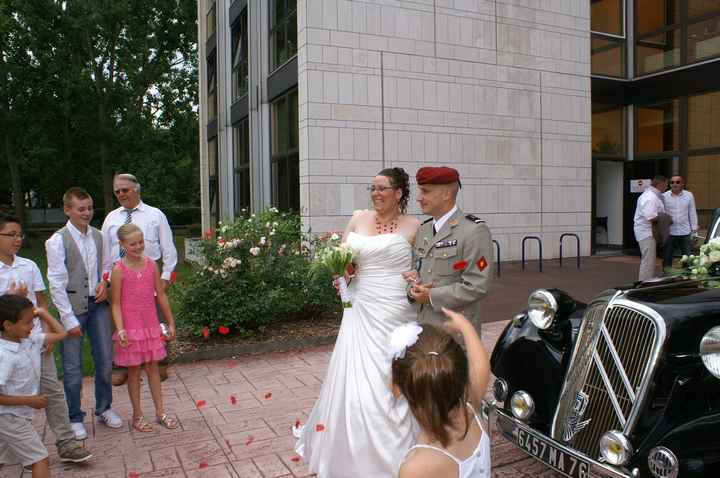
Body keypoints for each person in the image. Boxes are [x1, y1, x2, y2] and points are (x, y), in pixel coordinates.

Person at [295, 167, 421, 477]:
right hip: (360, 307)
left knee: (391, 374)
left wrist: (418, 279)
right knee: (355, 376)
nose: (376, 193)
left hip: (395, 311)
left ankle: (404, 449)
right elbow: (344, 261)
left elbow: (426, 268)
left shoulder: (415, 226)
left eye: (382, 188)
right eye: (373, 188)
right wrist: (343, 272)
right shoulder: (358, 219)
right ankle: (349, 451)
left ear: (398, 193)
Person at [0, 214, 92, 463]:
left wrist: (46, 333)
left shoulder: (29, 265)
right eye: (11, 234)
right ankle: (11, 447)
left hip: (34, 340)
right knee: (6, 395)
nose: (17, 240)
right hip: (5, 348)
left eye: (20, 234)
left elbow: (41, 301)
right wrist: (9, 296)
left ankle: (66, 443)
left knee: (52, 391)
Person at [45, 187, 122, 440]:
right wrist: (67, 319)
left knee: (104, 361)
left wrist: (104, 283)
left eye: (89, 208)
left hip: (98, 305)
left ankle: (104, 408)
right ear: (67, 210)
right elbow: (56, 283)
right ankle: (74, 417)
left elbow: (107, 266)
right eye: (81, 209)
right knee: (73, 367)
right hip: (72, 310)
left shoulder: (100, 236)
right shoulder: (57, 240)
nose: (86, 213)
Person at [391, 307, 491, 478]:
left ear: (397, 387)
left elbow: (480, 368)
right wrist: (466, 326)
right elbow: (481, 367)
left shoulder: (417, 467)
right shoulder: (471, 409)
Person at [101, 173, 177, 385]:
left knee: (155, 318)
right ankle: (123, 366)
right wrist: (105, 279)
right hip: (120, 277)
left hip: (148, 275)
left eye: (124, 190)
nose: (120, 194)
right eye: (117, 191)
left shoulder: (155, 215)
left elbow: (168, 248)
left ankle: (160, 362)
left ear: (136, 189)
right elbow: (106, 253)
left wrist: (165, 276)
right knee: (120, 320)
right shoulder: (111, 218)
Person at [407, 167, 492, 333]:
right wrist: (412, 290)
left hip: (454, 332)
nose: (419, 198)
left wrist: (430, 296)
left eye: (425, 192)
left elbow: (477, 285)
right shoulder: (423, 229)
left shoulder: (473, 231)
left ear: (446, 194)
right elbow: (415, 271)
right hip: (424, 328)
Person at [110, 224, 177, 432]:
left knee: (153, 369)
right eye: (133, 244)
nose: (138, 246)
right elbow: (116, 304)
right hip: (131, 329)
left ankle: (160, 412)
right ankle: (137, 415)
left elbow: (161, 295)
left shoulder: (151, 265)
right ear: (122, 244)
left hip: (149, 325)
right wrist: (121, 329)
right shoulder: (119, 270)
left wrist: (170, 321)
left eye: (141, 242)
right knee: (133, 372)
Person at [0, 295, 68, 477]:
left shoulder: (30, 340)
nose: (32, 326)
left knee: (3, 459)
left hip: (19, 416)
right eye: (28, 322)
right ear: (8, 326)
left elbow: (62, 334)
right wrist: (30, 400)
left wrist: (44, 314)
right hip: (8, 417)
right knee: (40, 459)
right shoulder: (5, 356)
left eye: (33, 321)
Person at [633, 175, 668, 281]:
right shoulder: (650, 197)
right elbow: (651, 217)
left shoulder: (652, 195)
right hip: (647, 233)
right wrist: (666, 218)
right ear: (660, 184)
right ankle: (644, 284)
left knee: (649, 260)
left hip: (648, 232)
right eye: (666, 185)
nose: (666, 188)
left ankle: (646, 281)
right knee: (648, 260)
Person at [662, 175, 698, 269]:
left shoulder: (689, 195)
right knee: (667, 257)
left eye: (677, 182)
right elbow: (662, 214)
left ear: (682, 184)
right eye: (672, 182)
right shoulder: (664, 196)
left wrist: (694, 231)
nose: (674, 184)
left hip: (685, 231)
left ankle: (686, 279)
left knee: (688, 258)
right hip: (669, 232)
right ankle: (667, 278)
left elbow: (692, 213)